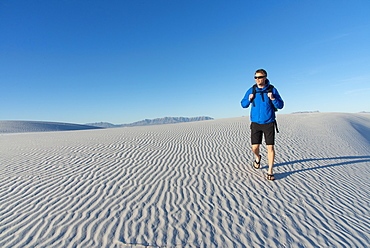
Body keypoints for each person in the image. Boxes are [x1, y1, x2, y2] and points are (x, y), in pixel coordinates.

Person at [241, 69, 284, 181]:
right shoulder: (252, 90)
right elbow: (243, 104)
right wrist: (249, 99)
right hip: (255, 123)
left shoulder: (272, 89)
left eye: (259, 77)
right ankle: (257, 157)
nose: (257, 79)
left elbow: (280, 105)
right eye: (255, 77)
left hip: (269, 123)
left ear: (265, 77)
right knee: (254, 148)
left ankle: (270, 171)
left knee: (270, 147)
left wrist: (273, 99)